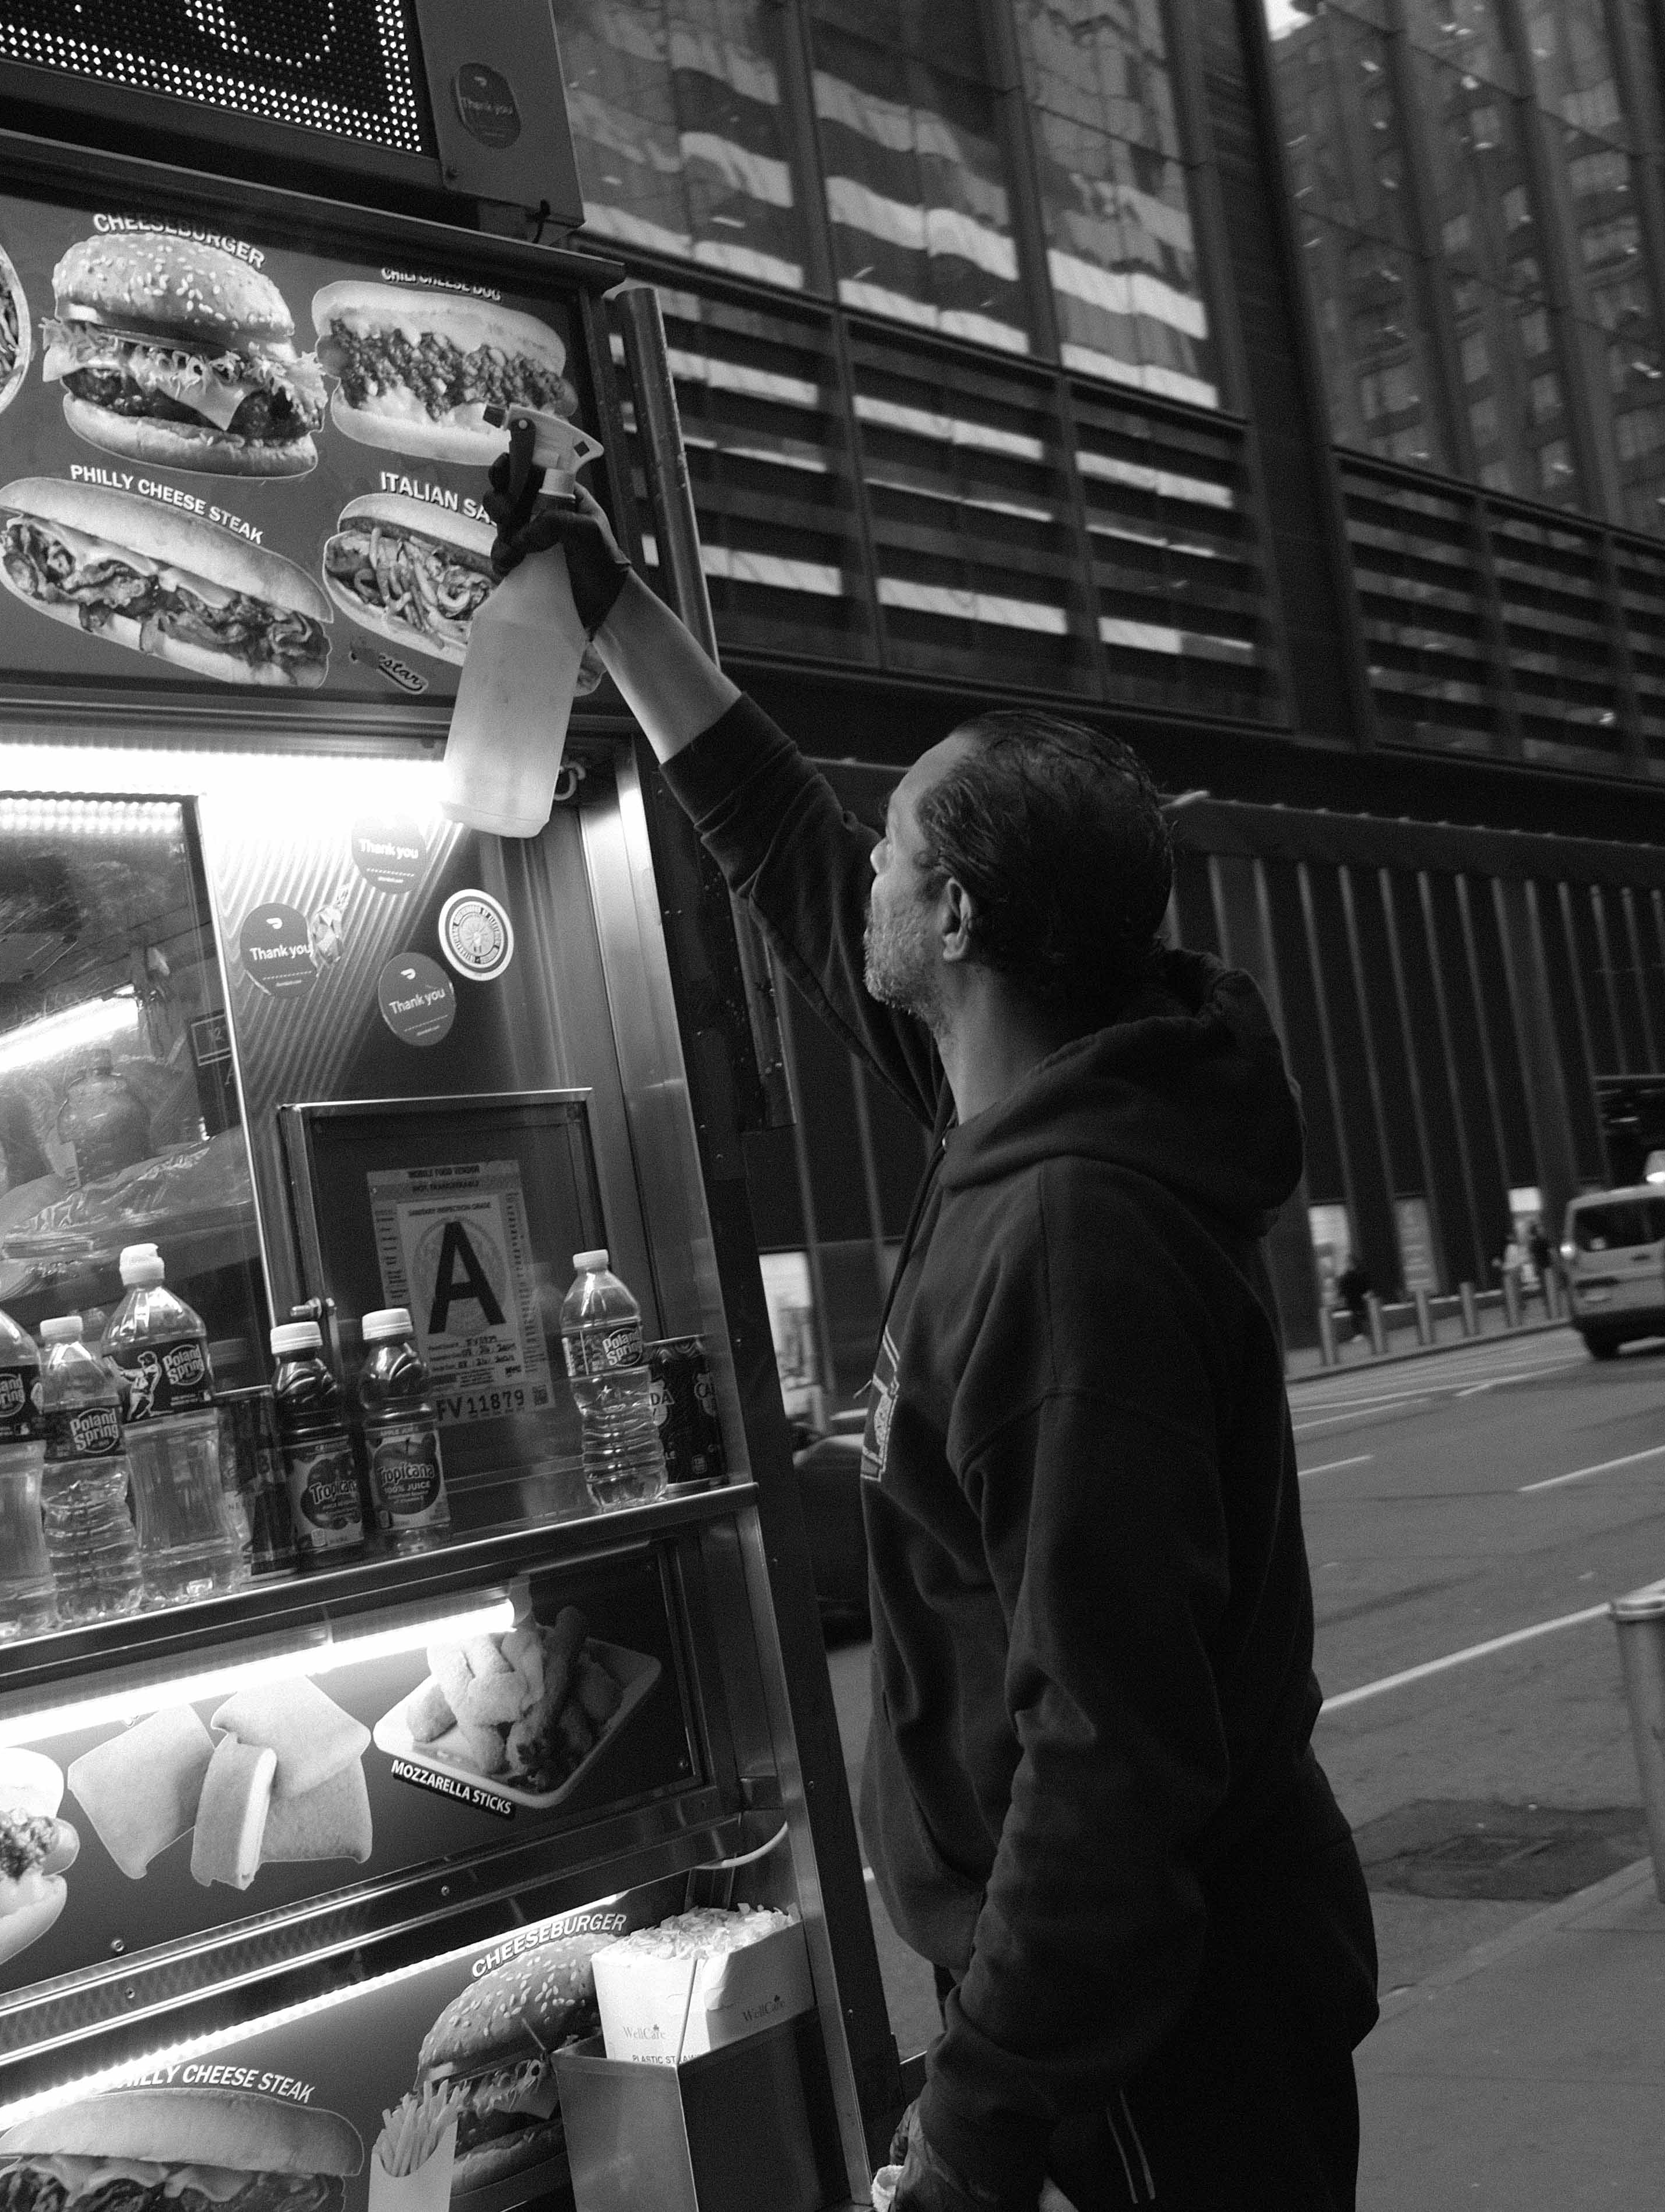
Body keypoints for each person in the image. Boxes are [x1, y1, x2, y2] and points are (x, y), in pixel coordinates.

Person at [488, 433, 1377, 2208]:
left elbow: (1106, 1758)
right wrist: (605, 597)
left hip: (1154, 2046)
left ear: (959, 916)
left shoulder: (1071, 1242)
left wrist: (972, 2127)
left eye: (896, 850)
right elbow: (792, 860)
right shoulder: (1046, 1094)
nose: (864, 872)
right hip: (1125, 2016)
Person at [1337, 1254, 1373, 1343]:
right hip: (1354, 1299)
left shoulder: (1355, 1274)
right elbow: (1343, 1287)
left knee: (1359, 1315)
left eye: (1349, 1262)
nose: (1348, 1264)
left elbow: (1365, 1285)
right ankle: (1363, 1333)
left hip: (1358, 1299)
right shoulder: (1350, 1275)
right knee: (1357, 1316)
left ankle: (1363, 1333)